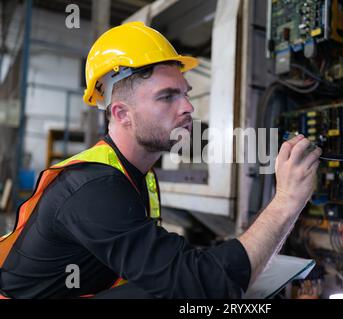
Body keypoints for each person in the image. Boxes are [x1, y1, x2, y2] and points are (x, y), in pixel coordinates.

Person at [0, 22, 321, 299]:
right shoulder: (93, 188)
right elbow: (203, 286)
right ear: (121, 113)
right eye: (167, 96)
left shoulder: (133, 173)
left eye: (185, 93)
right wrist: (287, 201)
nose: (187, 107)